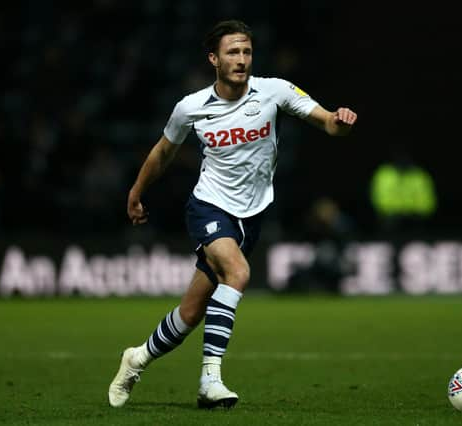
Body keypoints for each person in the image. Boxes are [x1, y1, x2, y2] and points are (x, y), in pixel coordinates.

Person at [107, 19, 357, 409]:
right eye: (232, 53)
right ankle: (211, 380)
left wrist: (340, 122)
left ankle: (136, 358)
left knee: (190, 313)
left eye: (246, 52)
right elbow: (162, 152)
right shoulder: (191, 107)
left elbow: (325, 121)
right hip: (209, 205)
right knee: (238, 273)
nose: (241, 60)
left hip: (252, 215)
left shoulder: (274, 91)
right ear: (214, 59)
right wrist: (137, 192)